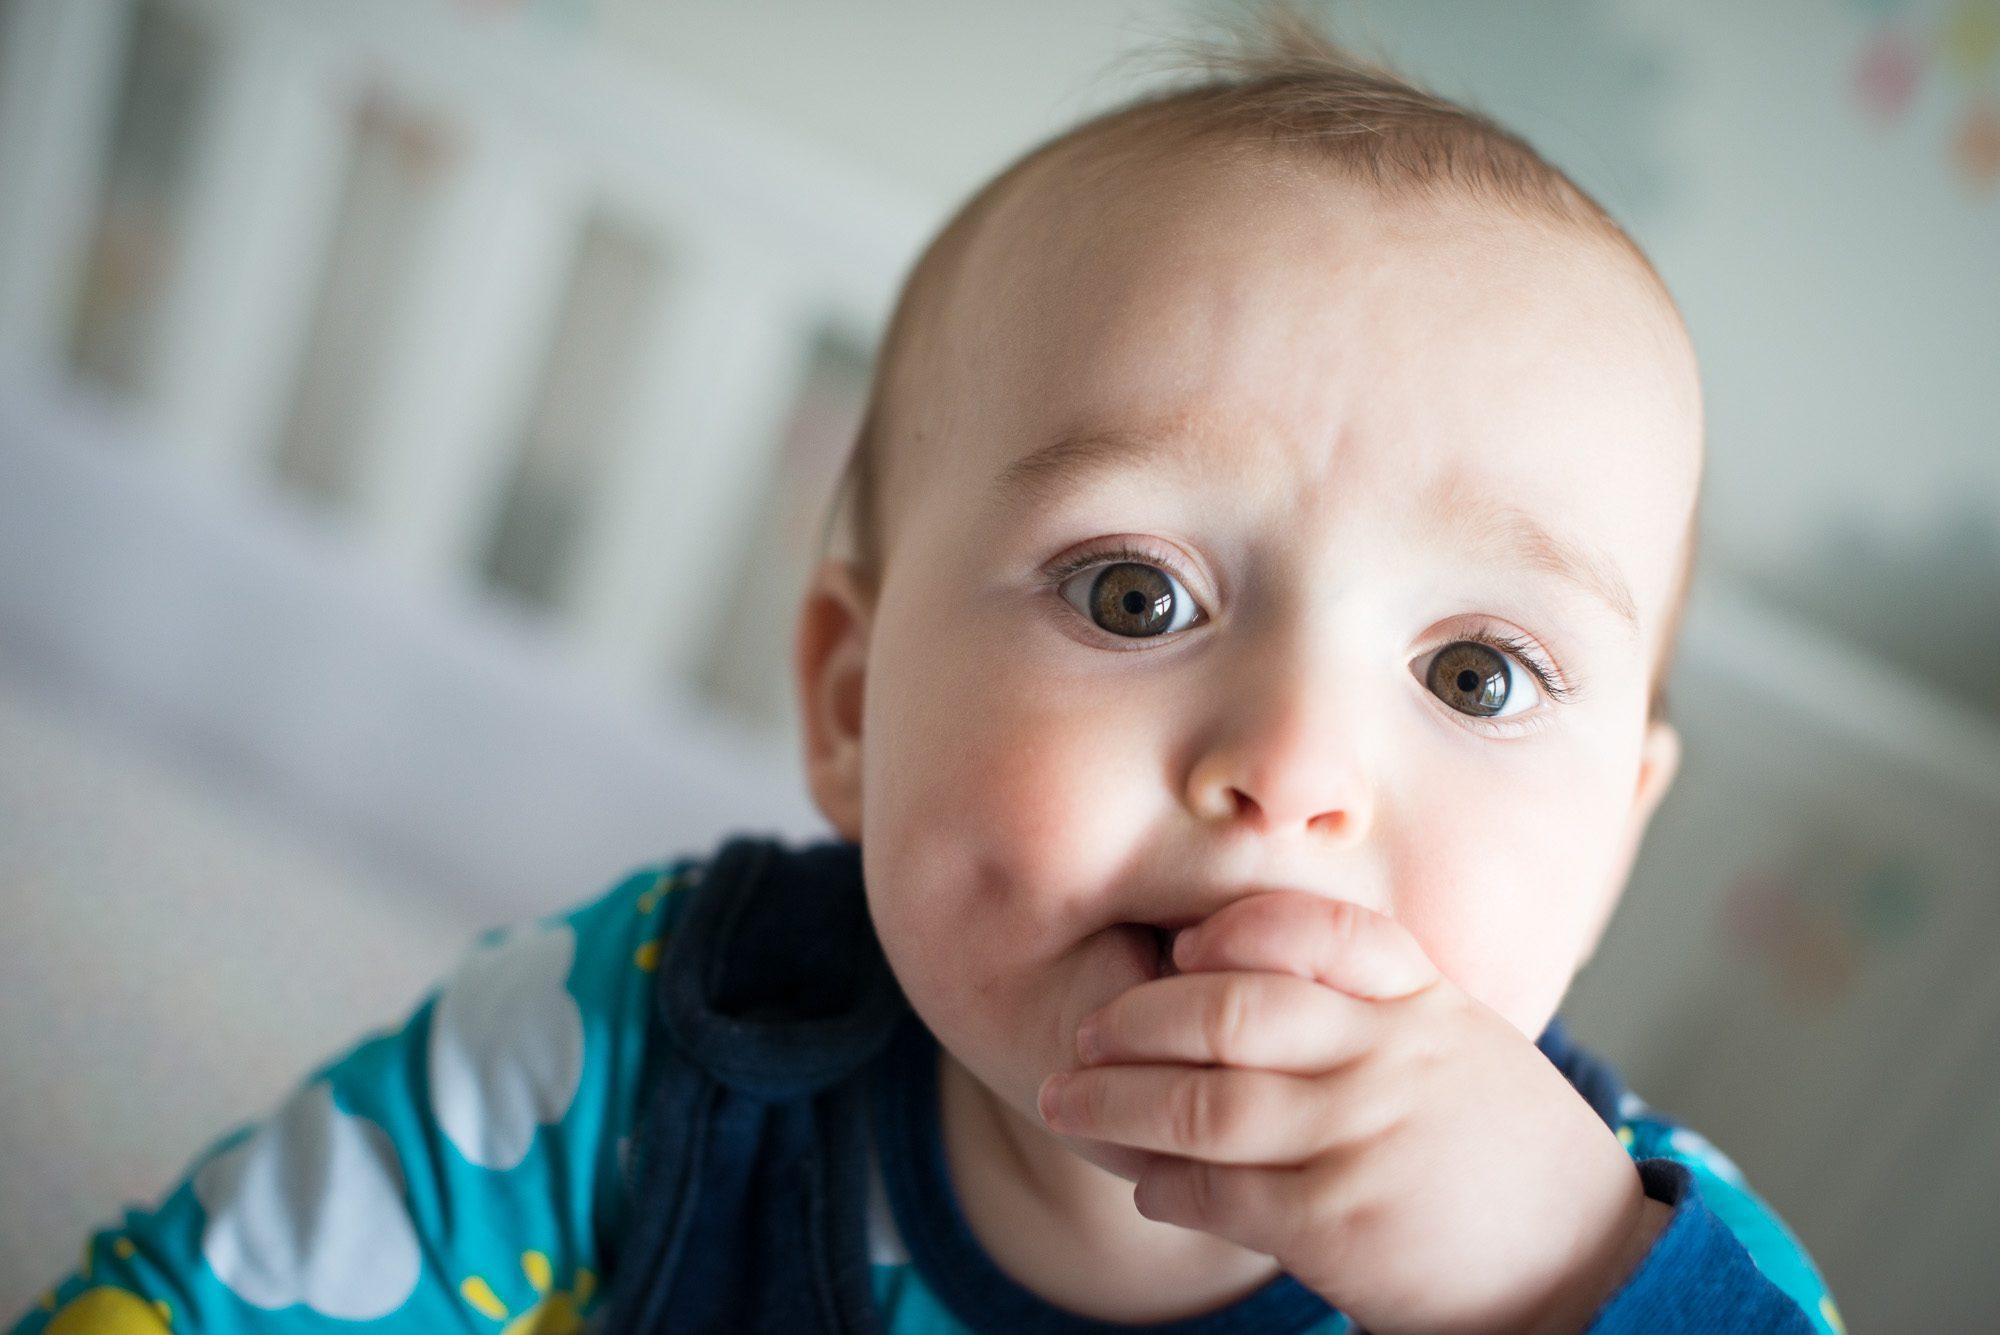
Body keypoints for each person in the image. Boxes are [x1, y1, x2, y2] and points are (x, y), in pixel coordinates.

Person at [13, 11, 1844, 1334]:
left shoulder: (1639, 1261)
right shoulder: (650, 1044)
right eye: (1137, 594)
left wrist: (1550, 1289)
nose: (1292, 765)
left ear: (1613, 845)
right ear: (850, 701)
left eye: (1481, 675)